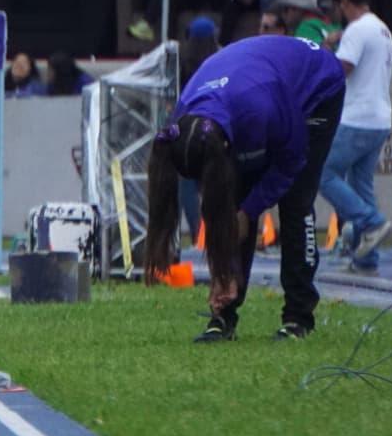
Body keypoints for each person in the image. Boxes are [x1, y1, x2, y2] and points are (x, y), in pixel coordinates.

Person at [144, 35, 344, 341]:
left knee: (295, 199)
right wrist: (225, 260)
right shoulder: (184, 122)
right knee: (232, 203)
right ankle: (224, 313)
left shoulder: (258, 112)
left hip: (316, 87)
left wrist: (249, 210)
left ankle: (298, 317)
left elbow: (291, 161)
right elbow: (221, 203)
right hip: (258, 88)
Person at [318, 0, 392, 273]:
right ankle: (366, 259)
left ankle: (372, 222)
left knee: (322, 173)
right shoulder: (382, 29)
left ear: (343, 3)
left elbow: (343, 68)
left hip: (356, 117)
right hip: (380, 118)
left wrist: (326, 53)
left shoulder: (356, 29)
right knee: (361, 185)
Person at [177, 17, 221, 247]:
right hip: (214, 129)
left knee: (186, 184)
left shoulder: (181, 66)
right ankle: (216, 233)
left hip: (188, 131)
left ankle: (198, 234)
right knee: (214, 182)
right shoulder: (220, 62)